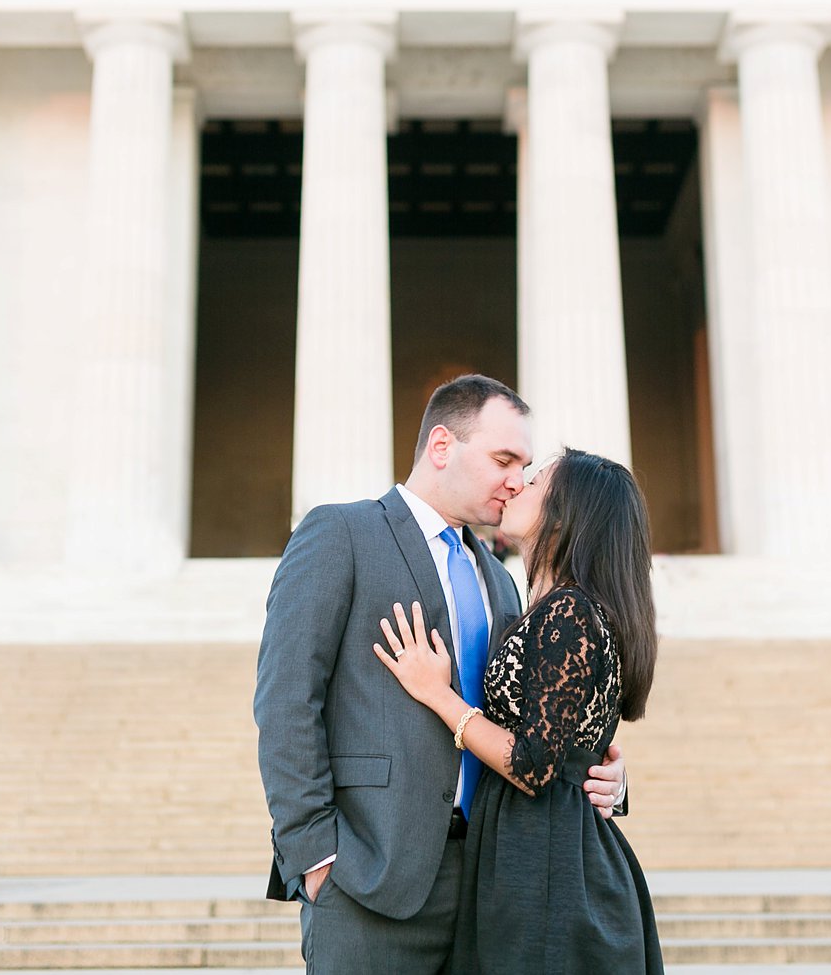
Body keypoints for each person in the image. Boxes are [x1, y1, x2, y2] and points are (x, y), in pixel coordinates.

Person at [254, 374, 630, 974]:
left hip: (493, 884)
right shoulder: (341, 534)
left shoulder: (503, 579)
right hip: (369, 880)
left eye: (526, 466)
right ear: (441, 447)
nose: (516, 480)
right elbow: (285, 701)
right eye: (504, 459)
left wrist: (602, 772)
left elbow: (539, 720)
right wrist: (315, 856)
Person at [376, 447, 664, 973]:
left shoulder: (570, 610)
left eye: (532, 483)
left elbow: (532, 765)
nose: (515, 487)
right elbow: (568, 745)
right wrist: (608, 778)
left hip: (545, 861)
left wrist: (438, 694)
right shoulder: (547, 603)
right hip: (537, 845)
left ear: (565, 512)